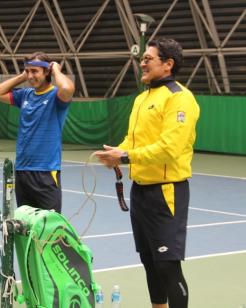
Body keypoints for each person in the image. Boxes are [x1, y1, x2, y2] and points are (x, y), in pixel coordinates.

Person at [95, 38, 199, 308]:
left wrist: (126, 156)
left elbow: (170, 148)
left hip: (167, 192)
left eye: (148, 58)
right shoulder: (142, 98)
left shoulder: (180, 98)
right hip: (140, 191)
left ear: (168, 65)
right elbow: (133, 140)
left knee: (167, 266)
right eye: (142, 58)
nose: (142, 62)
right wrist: (117, 153)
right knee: (150, 263)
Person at [0, 51, 75, 212]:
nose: (30, 76)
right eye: (28, 71)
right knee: (27, 225)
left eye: (35, 71)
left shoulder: (56, 96)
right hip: (22, 170)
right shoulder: (25, 95)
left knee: (49, 228)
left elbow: (67, 87)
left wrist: (56, 69)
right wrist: (22, 76)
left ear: (47, 72)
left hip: (46, 172)